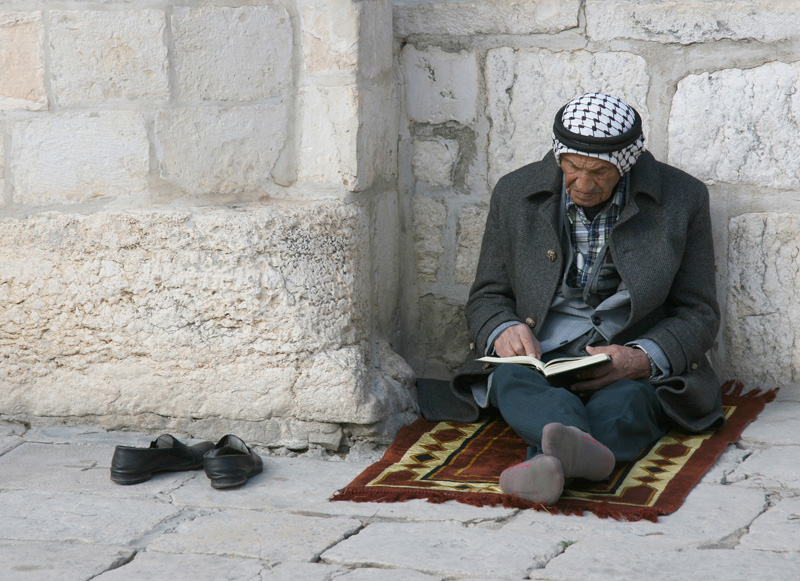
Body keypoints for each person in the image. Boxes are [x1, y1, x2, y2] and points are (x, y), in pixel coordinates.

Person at [438, 93, 725, 505]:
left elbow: (698, 312)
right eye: (572, 168)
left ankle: (548, 464)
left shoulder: (684, 199)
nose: (583, 184)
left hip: (624, 354)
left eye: (600, 172)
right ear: (559, 157)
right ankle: (581, 459)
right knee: (512, 380)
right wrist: (503, 329)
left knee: (629, 402)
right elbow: (488, 295)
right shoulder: (514, 193)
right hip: (541, 356)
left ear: (626, 165)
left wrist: (642, 357)